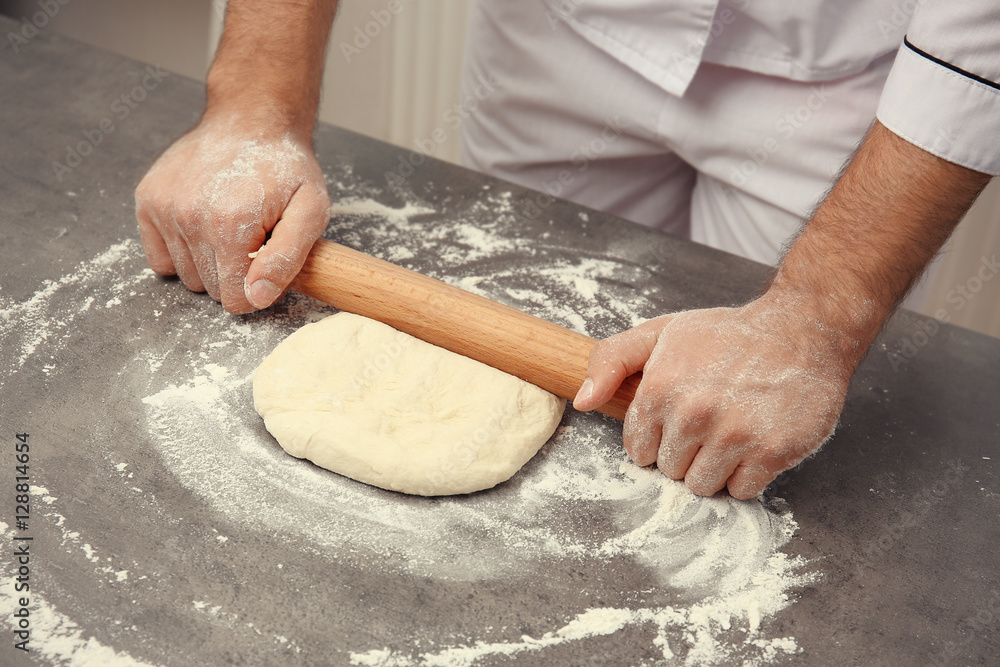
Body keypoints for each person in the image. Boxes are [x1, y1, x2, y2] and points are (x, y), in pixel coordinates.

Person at [135, 0, 998, 499]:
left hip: (855, 76)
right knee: (533, 290)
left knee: (726, 423)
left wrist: (814, 316)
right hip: (565, 25)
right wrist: (253, 107)